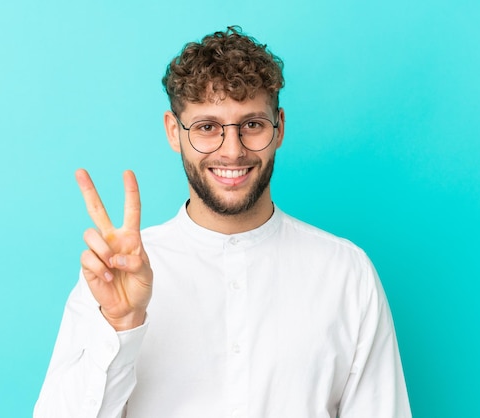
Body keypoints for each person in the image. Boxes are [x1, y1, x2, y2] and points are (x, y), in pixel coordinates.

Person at [34, 26, 411, 418]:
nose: (232, 151)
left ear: (279, 127)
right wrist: (120, 323)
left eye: (252, 125)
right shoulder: (117, 274)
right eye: (207, 127)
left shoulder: (346, 273)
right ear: (173, 132)